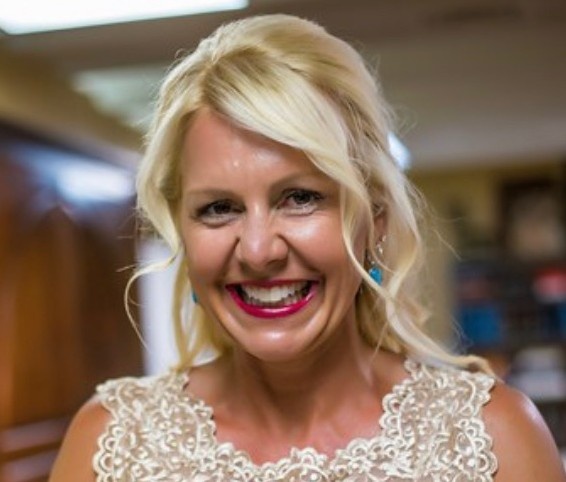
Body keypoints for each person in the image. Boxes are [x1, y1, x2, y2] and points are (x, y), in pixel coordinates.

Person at [50, 14, 565, 482]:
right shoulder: (109, 443)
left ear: (375, 221)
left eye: (300, 198)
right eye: (219, 208)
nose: (257, 251)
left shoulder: (495, 438)